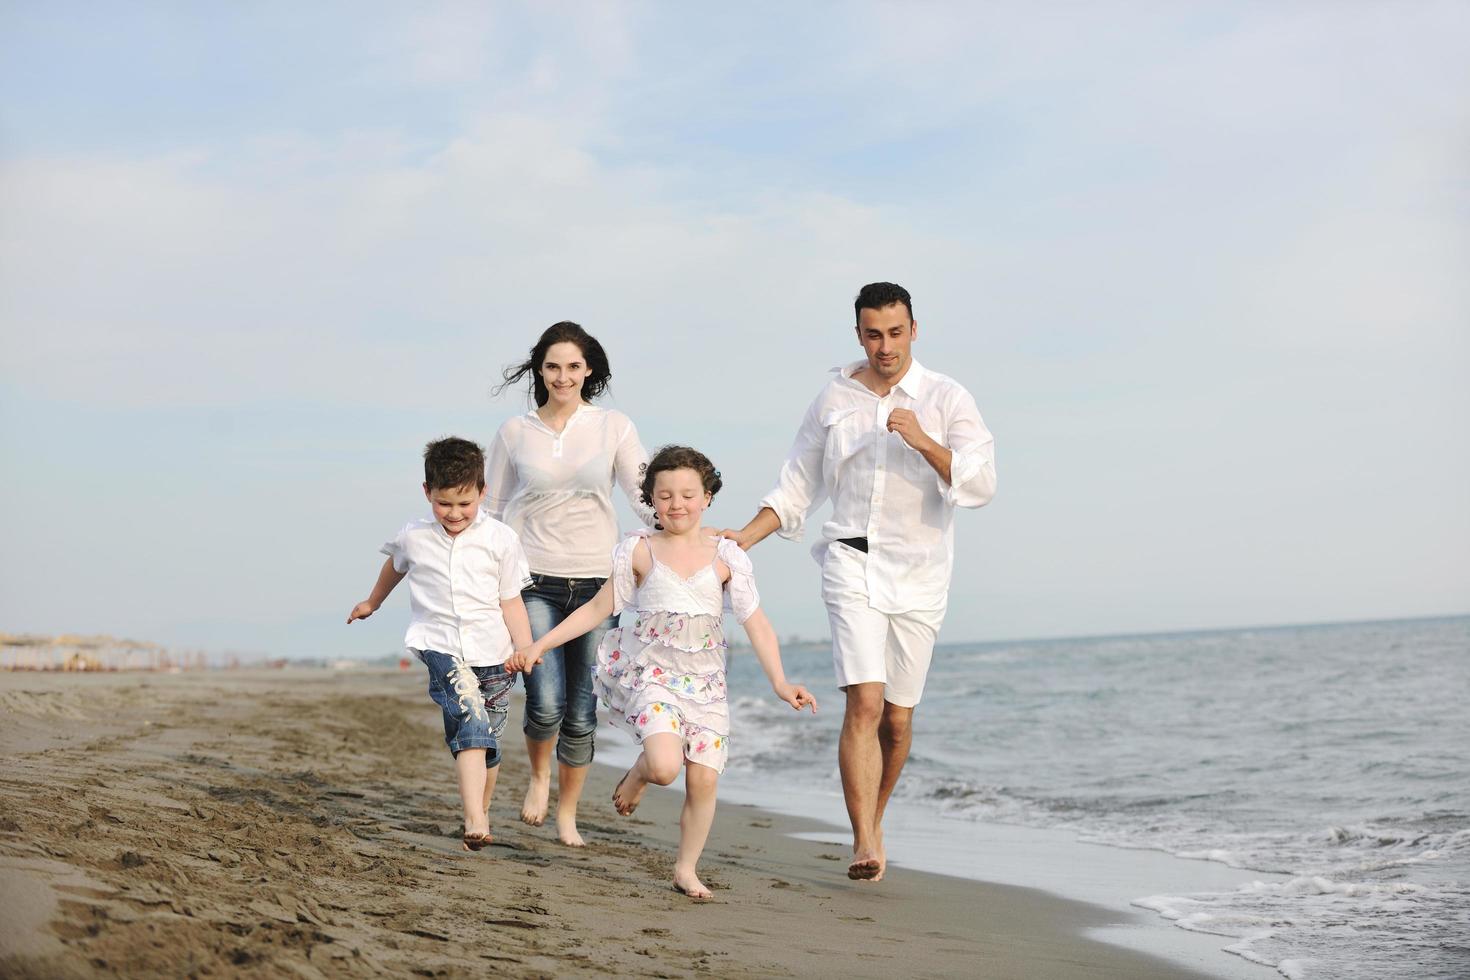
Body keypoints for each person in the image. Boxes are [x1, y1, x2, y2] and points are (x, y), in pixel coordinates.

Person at [722, 282, 996, 882]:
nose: (885, 346)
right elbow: (797, 483)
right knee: (864, 701)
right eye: (873, 334)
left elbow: (981, 484)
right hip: (850, 560)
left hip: (922, 572)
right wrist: (744, 537)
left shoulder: (947, 397)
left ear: (914, 330)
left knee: (897, 720)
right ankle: (864, 840)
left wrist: (923, 439)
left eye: (895, 333)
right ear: (858, 334)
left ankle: (877, 813)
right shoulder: (833, 398)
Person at [506, 445, 817, 899]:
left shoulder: (728, 555)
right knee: (667, 767)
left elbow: (757, 623)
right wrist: (540, 644)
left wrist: (781, 682)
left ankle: (686, 869)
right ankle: (642, 771)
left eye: (688, 494)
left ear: (707, 496)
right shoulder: (639, 550)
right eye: (665, 495)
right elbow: (597, 609)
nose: (677, 504)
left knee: (704, 777)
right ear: (651, 498)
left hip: (707, 684)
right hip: (652, 676)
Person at [486, 321, 656, 847]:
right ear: (540, 370)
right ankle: (538, 778)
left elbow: (645, 496)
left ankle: (567, 814)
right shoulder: (515, 433)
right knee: (544, 699)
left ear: (589, 371)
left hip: (599, 585)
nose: (564, 376)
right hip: (531, 579)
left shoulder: (614, 427)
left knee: (581, 707)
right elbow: (490, 511)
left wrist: (690, 534)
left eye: (574, 367)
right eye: (554, 366)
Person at [348, 436, 533, 851]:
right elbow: (394, 567)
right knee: (470, 719)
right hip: (440, 644)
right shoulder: (414, 536)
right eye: (444, 503)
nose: (454, 514)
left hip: (496, 653)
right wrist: (371, 603)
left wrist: (525, 647)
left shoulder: (501, 539)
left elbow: (511, 600)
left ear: (483, 493)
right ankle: (474, 817)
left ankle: (479, 818)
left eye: (465, 504)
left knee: (489, 741)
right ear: (427, 493)